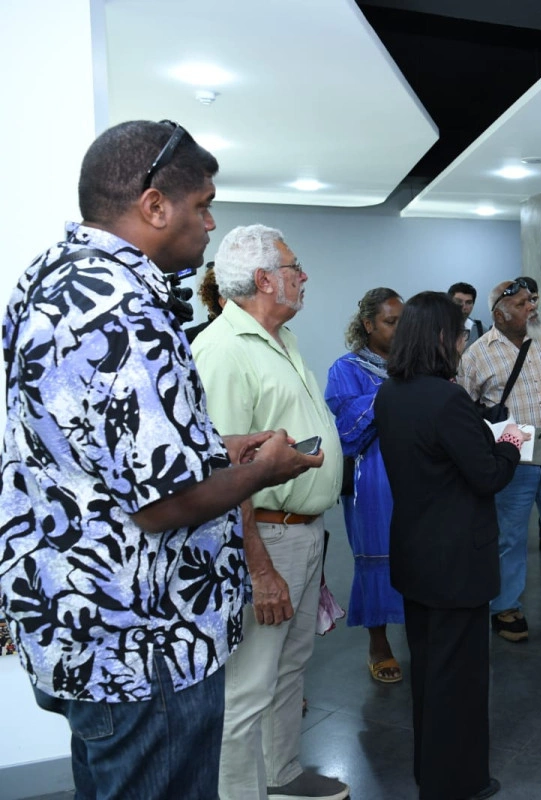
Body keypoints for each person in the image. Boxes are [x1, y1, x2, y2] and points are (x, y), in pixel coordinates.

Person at [0, 120, 321, 800]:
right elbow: (163, 504)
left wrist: (214, 446)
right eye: (202, 205)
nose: (210, 225)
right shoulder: (120, 305)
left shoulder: (55, 277)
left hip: (85, 625)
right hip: (142, 641)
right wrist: (264, 470)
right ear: (153, 206)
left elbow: (92, 447)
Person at [193, 224, 347, 800]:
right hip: (265, 540)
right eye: (294, 266)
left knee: (289, 671)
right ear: (264, 279)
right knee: (249, 687)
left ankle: (280, 778)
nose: (303, 276)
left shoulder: (282, 339)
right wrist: (259, 569)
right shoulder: (224, 351)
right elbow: (223, 476)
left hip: (303, 532)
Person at [375, 291, 525, 800]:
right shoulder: (447, 398)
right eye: (460, 335)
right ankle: (458, 782)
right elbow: (486, 477)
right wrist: (508, 444)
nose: (464, 344)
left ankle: (430, 770)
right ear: (443, 338)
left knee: (429, 672)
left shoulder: (391, 392)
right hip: (458, 559)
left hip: (417, 554)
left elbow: (432, 453)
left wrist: (478, 432)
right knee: (459, 681)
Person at [457, 279, 541, 642]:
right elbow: (462, 409)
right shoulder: (476, 355)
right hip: (510, 465)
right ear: (500, 314)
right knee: (509, 538)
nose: (531, 308)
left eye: (531, 301)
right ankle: (505, 606)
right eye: (521, 304)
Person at [325, 287, 407, 684]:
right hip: (372, 476)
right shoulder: (346, 369)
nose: (399, 329)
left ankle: (419, 631)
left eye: (403, 321)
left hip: (418, 473)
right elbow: (345, 433)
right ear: (368, 324)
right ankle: (379, 642)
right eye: (391, 322)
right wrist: (390, 393)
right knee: (378, 555)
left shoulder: (417, 363)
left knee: (419, 552)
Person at [449, 281, 485, 347]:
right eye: (458, 301)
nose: (464, 307)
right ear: (449, 302)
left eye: (468, 302)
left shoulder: (480, 330)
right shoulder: (436, 327)